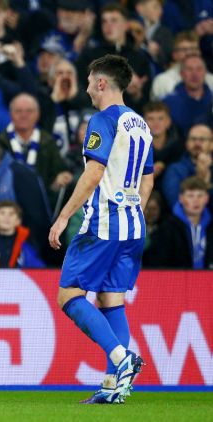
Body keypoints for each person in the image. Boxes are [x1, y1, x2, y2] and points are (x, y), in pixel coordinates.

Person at [48, 54, 154, 404]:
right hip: (132, 225)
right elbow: (148, 178)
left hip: (102, 224)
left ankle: (124, 360)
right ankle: (114, 385)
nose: (87, 88)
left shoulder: (102, 120)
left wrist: (64, 217)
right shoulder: (140, 123)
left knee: (69, 296)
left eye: (90, 80)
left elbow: (93, 172)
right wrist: (133, 207)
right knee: (112, 299)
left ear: (103, 83)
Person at [146, 176, 212, 268]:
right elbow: (156, 262)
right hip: (177, 280)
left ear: (206, 198)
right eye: (190, 196)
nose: (196, 201)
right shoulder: (167, 228)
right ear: (181, 198)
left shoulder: (211, 226)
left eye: (200, 195)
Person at [0, 200, 44, 268]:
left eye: (11, 214)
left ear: (18, 221)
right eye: (2, 213)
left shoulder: (29, 241)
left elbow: (37, 266)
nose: (7, 217)